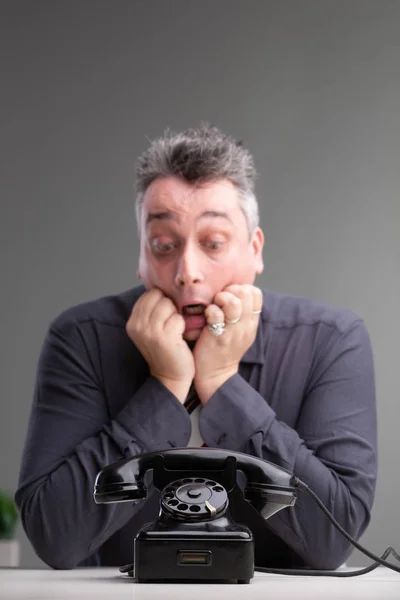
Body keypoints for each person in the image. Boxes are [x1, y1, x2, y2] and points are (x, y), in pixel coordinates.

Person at [15, 124, 377, 570]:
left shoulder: (329, 339)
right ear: (142, 258)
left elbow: (333, 540)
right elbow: (54, 537)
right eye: (164, 245)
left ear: (255, 249)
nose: (187, 271)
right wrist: (166, 386)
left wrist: (223, 384)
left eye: (213, 243)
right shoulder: (82, 338)